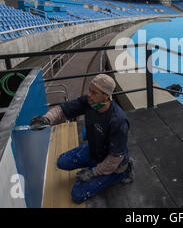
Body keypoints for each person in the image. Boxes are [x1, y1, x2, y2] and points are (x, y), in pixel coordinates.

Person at [29, 74, 134, 204]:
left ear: (106, 96)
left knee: (77, 195)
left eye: (94, 92)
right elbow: (63, 110)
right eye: (90, 90)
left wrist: (92, 173)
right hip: (95, 149)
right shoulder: (89, 102)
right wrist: (47, 119)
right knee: (62, 162)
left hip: (114, 162)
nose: (89, 94)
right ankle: (94, 164)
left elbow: (114, 158)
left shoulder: (118, 120)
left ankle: (123, 172)